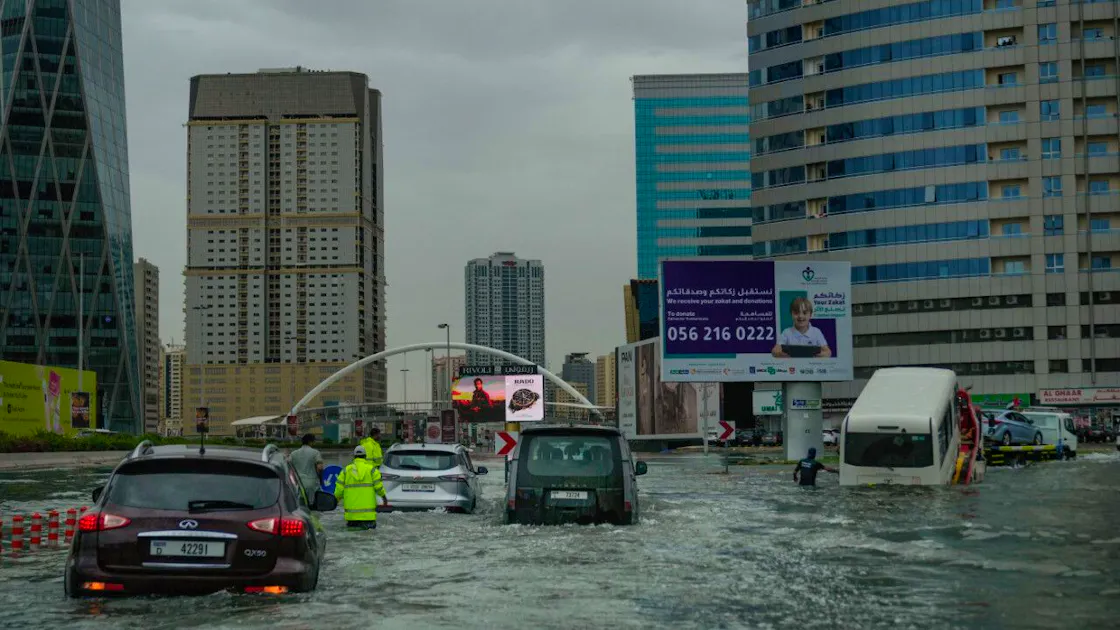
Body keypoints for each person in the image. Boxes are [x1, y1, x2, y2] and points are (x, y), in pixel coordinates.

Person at [334, 445, 388, 529]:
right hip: (368, 517)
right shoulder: (372, 470)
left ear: (354, 457)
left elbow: (338, 492)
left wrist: (334, 502)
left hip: (351, 517)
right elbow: (379, 488)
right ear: (365, 456)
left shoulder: (345, 471)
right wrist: (384, 497)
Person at [289, 433, 325, 501]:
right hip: (312, 485)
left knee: (301, 507)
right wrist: (321, 480)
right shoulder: (315, 452)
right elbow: (320, 468)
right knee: (312, 507)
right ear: (310, 442)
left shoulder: (293, 454)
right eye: (314, 441)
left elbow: (289, 469)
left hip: (299, 485)